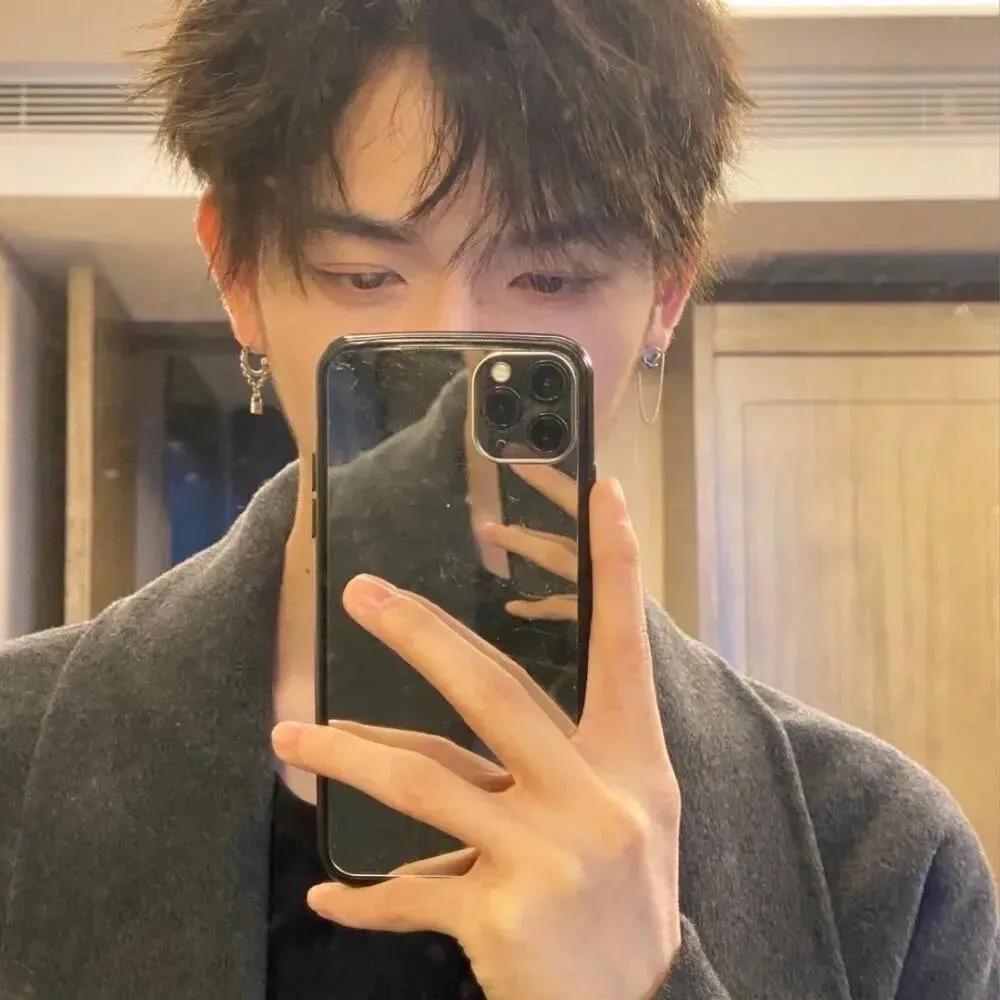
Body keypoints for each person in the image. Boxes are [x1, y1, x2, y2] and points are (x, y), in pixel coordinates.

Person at [1, 1, 997, 998]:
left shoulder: (883, 858)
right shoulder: (16, 751)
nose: (457, 358)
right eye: (363, 274)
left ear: (664, 293)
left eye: (549, 278)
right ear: (236, 274)